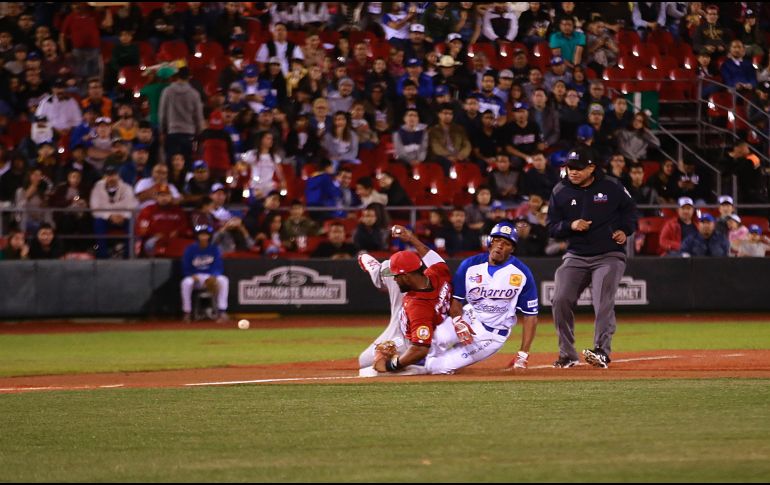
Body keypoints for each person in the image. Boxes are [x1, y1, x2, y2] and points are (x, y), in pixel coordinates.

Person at [358, 221, 538, 376]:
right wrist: (459, 321)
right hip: (469, 316)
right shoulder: (470, 265)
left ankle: (411, 364)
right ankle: (377, 270)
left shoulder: (521, 274)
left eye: (506, 243)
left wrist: (523, 354)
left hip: (492, 333)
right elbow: (456, 299)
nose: (500, 245)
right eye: (497, 240)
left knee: (437, 367)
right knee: (434, 338)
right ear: (489, 241)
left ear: (512, 249)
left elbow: (531, 315)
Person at [547, 150, 637, 368]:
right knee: (560, 300)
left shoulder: (612, 186)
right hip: (576, 255)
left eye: (578, 168)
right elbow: (551, 227)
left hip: (609, 254)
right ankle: (567, 355)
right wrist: (570, 225)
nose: (573, 172)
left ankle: (601, 351)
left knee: (602, 300)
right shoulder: (560, 190)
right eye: (570, 167)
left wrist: (625, 230)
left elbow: (631, 212)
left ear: (591, 168)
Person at [180, 224, 229, 323]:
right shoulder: (190, 249)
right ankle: (187, 313)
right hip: (196, 277)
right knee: (186, 283)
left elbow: (218, 265)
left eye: (205, 235)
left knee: (224, 280)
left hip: (210, 276)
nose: (203, 237)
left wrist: (213, 276)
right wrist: (191, 274)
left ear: (209, 236)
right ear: (197, 236)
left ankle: (222, 311)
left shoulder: (214, 249)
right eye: (201, 235)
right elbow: (185, 265)